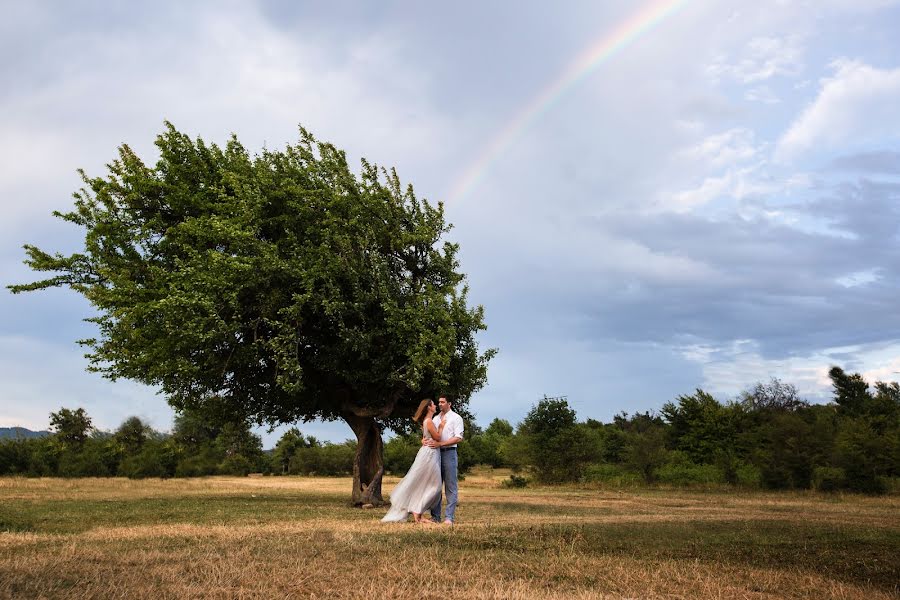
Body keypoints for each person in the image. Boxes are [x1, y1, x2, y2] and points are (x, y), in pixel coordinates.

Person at [381, 399, 446, 524]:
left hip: (429, 453)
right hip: (429, 454)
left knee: (423, 483)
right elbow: (438, 437)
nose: (435, 406)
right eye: (433, 404)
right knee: (436, 486)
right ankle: (417, 510)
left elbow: (425, 437)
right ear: (428, 407)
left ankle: (418, 513)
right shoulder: (429, 421)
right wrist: (441, 427)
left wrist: (423, 440)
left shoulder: (426, 422)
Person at [423, 395, 464, 525]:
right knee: (435, 486)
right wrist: (423, 440)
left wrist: (441, 444)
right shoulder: (435, 419)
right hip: (435, 454)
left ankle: (449, 518)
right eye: (439, 402)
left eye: (442, 402)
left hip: (449, 453)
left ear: (449, 403)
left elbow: (458, 438)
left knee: (451, 486)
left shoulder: (456, 418)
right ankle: (435, 517)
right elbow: (430, 434)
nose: (440, 404)